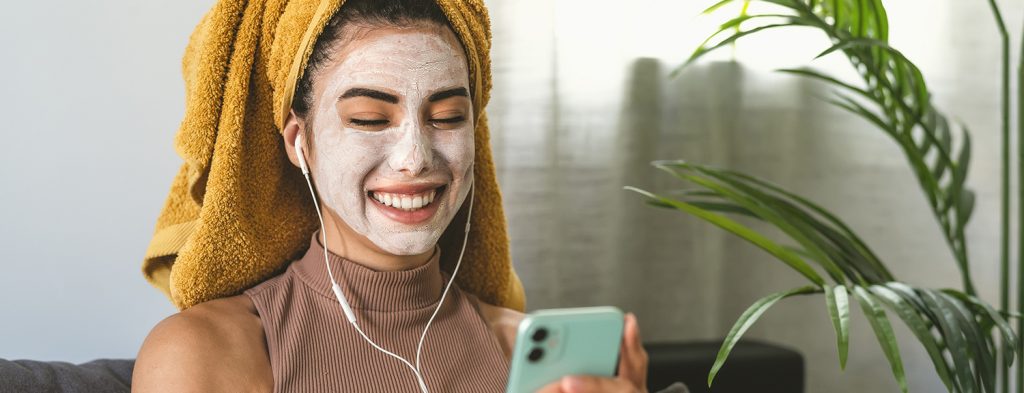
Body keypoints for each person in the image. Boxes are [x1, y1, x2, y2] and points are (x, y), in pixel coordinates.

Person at [133, 0, 662, 392]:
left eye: (448, 117)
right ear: (300, 142)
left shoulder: (523, 349)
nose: (415, 158)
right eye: (369, 118)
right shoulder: (208, 353)